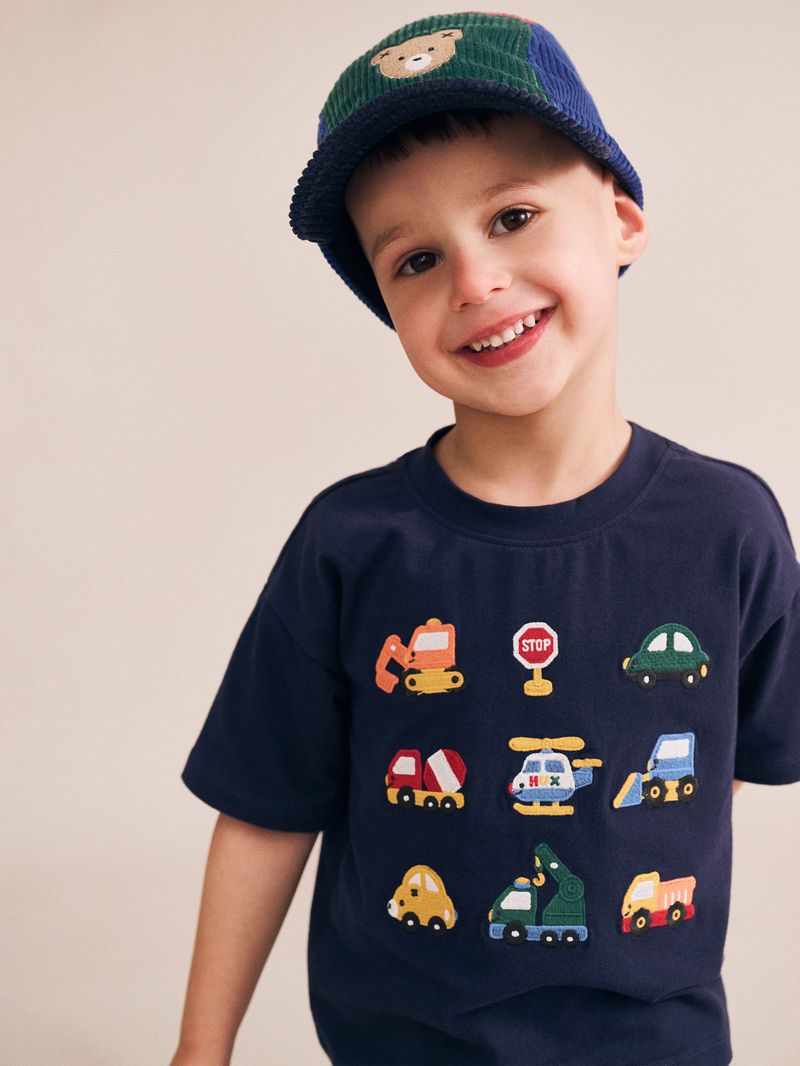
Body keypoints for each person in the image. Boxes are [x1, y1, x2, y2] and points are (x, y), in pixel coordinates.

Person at [171, 12, 800, 1066]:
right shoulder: (350, 543)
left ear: (621, 220)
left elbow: (710, 769)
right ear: (387, 305)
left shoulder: (727, 528)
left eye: (512, 216)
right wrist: (200, 1051)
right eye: (417, 258)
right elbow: (264, 811)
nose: (473, 283)